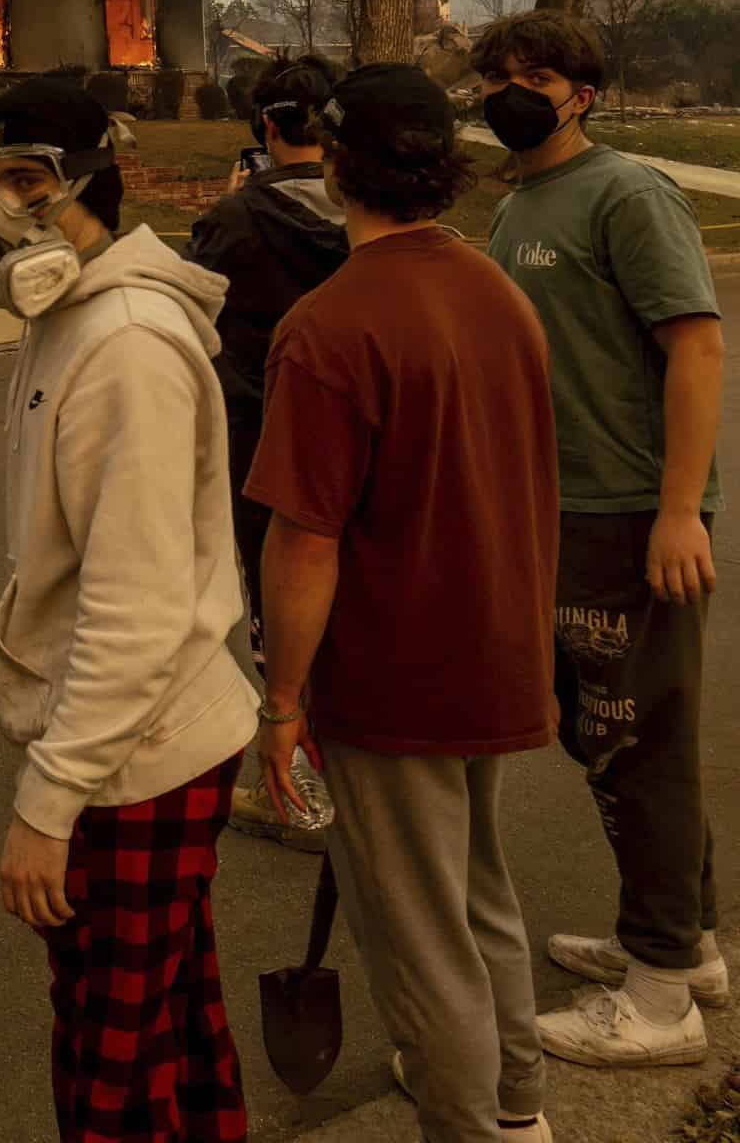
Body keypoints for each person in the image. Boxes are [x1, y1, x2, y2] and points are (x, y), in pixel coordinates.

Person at [0, 78, 257, 1143]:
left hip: (141, 754)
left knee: (107, 1053)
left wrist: (49, 799)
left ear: (93, 186)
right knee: (167, 1015)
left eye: (28, 180)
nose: (0, 211)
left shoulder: (121, 344)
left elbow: (136, 604)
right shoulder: (68, 320)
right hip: (135, 739)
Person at [248, 64, 558, 1142]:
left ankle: (470, 1123)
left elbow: (305, 536)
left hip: (393, 671)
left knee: (419, 935)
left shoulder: (329, 328)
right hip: (496, 648)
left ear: (335, 166)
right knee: (479, 896)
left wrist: (281, 699)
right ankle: (519, 1103)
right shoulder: (497, 291)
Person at [480, 10, 725, 1067]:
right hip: (561, 510)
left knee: (639, 744)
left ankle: (662, 1001)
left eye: (535, 75)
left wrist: (678, 507)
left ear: (581, 91)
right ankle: (686, 945)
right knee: (618, 738)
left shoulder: (627, 190)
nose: (512, 91)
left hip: (627, 512)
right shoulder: (525, 198)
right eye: (498, 74)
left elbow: (699, 346)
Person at [185, 56, 346, 846]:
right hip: (358, 442)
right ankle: (357, 774)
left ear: (266, 128)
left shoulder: (236, 222)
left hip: (262, 441)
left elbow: (191, 317)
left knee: (277, 615)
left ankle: (298, 791)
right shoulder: (368, 212)